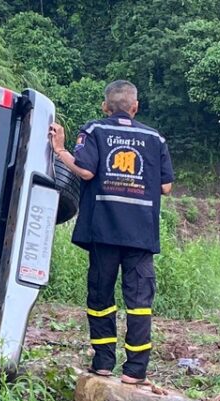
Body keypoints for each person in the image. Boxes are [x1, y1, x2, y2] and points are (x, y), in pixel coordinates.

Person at [49, 80, 174, 385]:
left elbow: (86, 171)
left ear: (105, 106)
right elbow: (166, 187)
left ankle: (103, 363)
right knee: (140, 301)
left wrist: (60, 149)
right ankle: (135, 371)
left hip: (103, 230)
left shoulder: (95, 131)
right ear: (135, 107)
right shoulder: (155, 138)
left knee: (101, 294)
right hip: (141, 234)